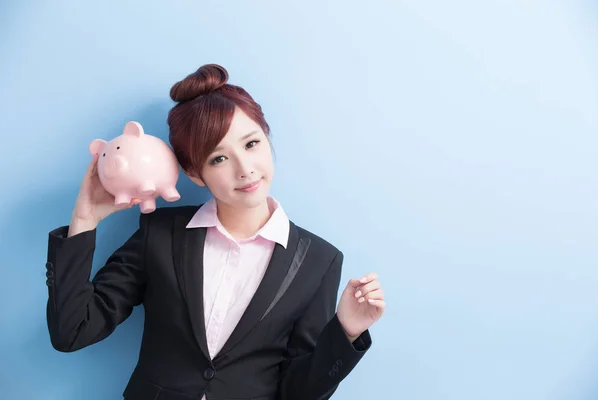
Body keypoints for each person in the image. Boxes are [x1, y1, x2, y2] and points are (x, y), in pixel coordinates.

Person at [44, 64, 386, 400]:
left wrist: (346, 331)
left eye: (251, 144)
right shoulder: (161, 233)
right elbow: (73, 330)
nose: (245, 169)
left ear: (267, 139)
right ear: (195, 174)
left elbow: (298, 392)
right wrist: (84, 219)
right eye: (218, 159)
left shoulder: (319, 260)